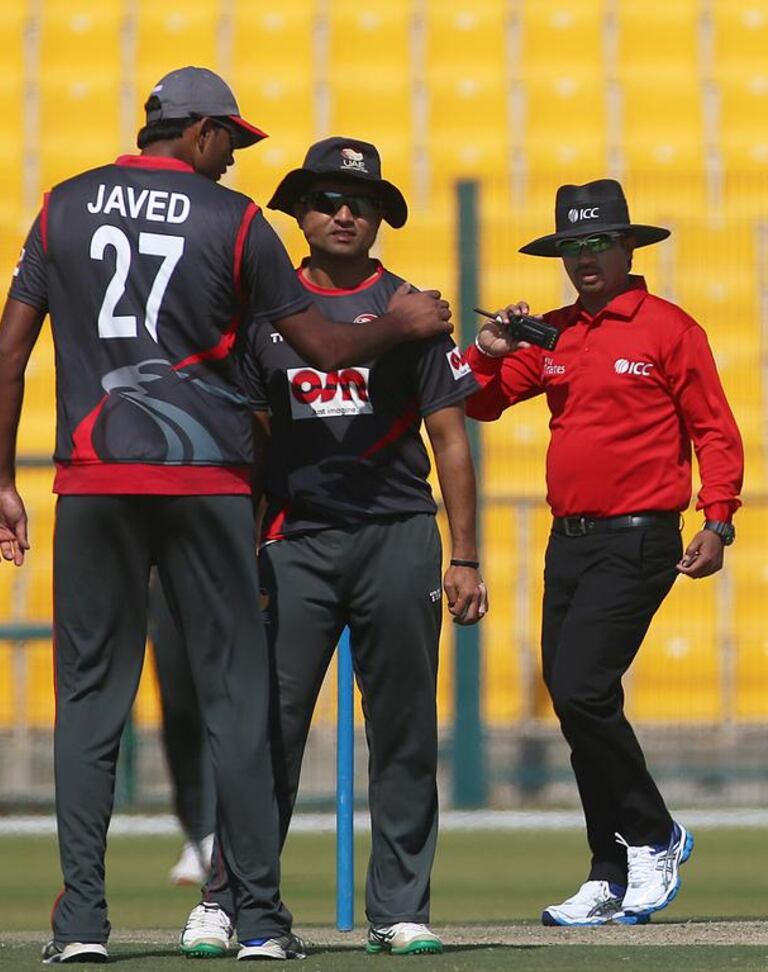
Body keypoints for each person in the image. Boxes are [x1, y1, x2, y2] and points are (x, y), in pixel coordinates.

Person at [0, 68, 451, 965]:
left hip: (93, 479)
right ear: (197, 133)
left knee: (88, 703)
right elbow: (327, 347)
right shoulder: (233, 221)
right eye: (231, 140)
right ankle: (263, 925)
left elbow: (9, 354)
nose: (234, 158)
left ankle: (81, 925)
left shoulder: (61, 206)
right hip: (208, 484)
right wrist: (403, 323)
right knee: (238, 701)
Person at [178, 136, 487, 959]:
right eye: (324, 201)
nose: (343, 213)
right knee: (264, 730)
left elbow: (451, 441)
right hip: (293, 543)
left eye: (360, 202)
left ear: (382, 217)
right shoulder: (266, 319)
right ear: (299, 216)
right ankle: (229, 901)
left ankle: (401, 908)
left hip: (397, 537)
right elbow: (246, 445)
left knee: (404, 733)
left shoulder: (417, 310)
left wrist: (465, 556)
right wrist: (236, 555)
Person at [463, 179, 743, 927]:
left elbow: (714, 429)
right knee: (578, 699)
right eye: (571, 247)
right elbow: (478, 401)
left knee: (582, 689)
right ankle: (608, 867)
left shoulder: (669, 329)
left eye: (598, 244)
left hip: (641, 536)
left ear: (627, 248)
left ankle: (656, 834)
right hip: (571, 541)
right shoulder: (552, 334)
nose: (585, 259)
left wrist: (718, 521)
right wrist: (487, 349)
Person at [149, 572, 215, 886]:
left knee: (223, 709)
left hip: (223, 566)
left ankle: (213, 833)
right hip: (168, 572)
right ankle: (196, 834)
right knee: (178, 710)